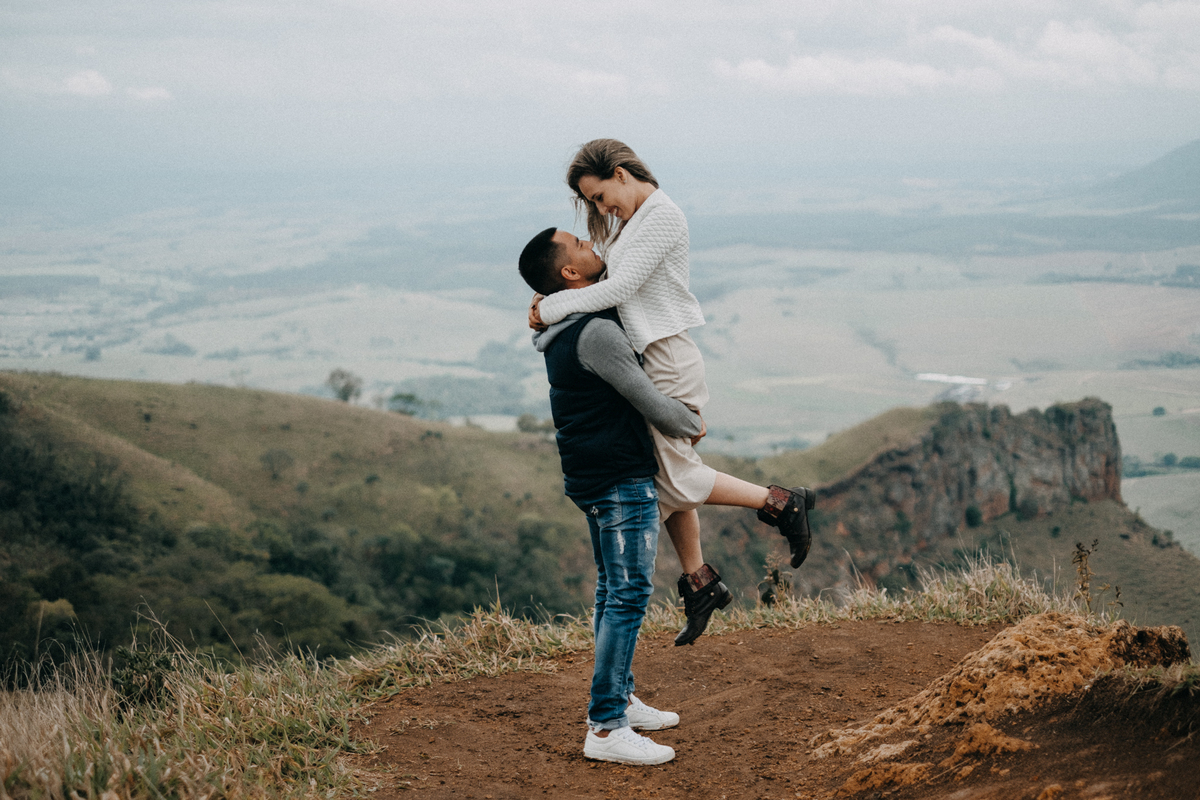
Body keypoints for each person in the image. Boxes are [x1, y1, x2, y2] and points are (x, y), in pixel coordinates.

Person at [528, 140, 814, 645]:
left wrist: (550, 308)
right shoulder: (630, 222)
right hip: (653, 357)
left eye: (599, 197)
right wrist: (551, 295)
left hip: (668, 358)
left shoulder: (660, 215)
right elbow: (604, 280)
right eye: (591, 204)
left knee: (671, 482)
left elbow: (616, 290)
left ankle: (780, 503)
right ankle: (699, 581)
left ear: (620, 174)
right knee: (666, 475)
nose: (599, 210)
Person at [519, 226, 697, 765]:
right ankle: (605, 728)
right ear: (570, 274)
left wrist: (544, 303)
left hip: (592, 473)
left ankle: (617, 697)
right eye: (580, 245)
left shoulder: (568, 322)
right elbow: (648, 399)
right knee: (627, 595)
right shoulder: (593, 331)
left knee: (610, 592)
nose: (593, 247)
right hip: (619, 477)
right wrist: (690, 423)